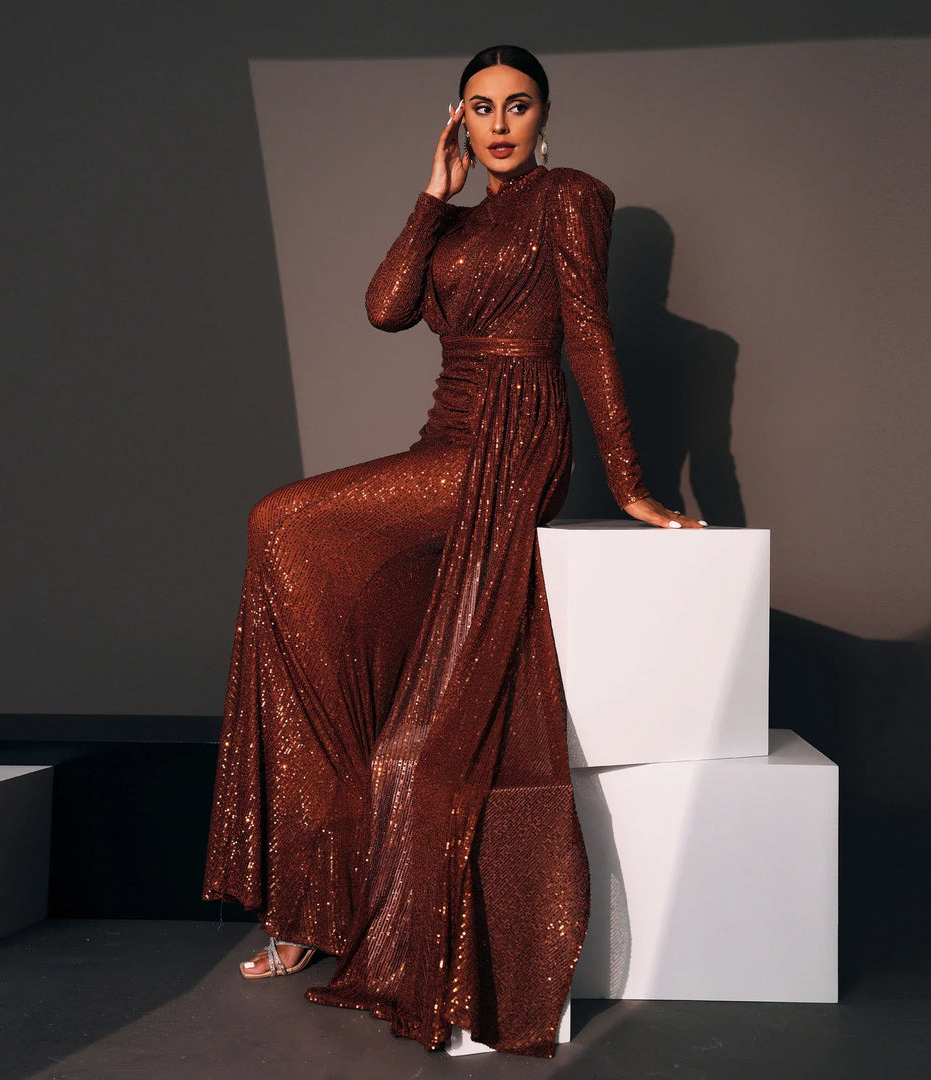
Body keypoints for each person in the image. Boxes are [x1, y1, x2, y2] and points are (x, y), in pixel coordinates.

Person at [203, 43, 706, 1058]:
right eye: (482, 110)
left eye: (518, 105)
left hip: (515, 442)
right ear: (460, 125)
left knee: (279, 522)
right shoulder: (458, 218)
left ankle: (330, 884)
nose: (502, 124)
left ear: (544, 115)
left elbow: (591, 337)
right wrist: (430, 197)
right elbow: (386, 309)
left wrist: (629, 480)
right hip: (447, 438)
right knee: (294, 559)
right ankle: (321, 883)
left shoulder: (572, 196)